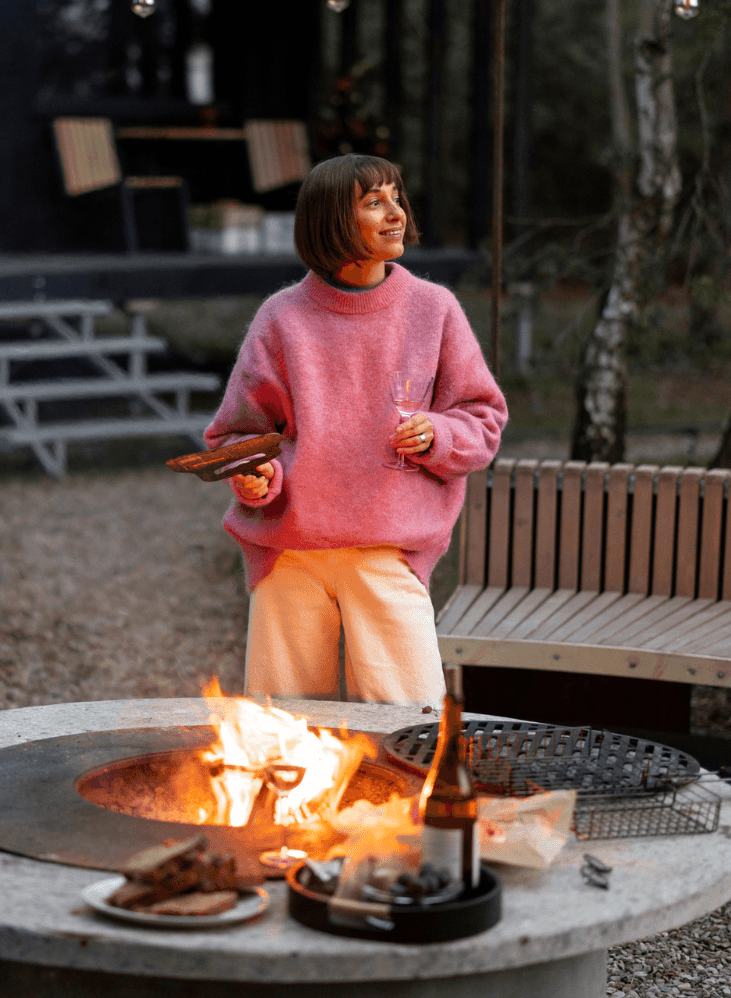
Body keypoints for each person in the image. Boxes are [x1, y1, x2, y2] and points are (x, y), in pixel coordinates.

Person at [204, 154, 506, 706]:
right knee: (283, 734)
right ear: (331, 221)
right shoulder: (281, 318)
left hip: (387, 552)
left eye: (396, 197)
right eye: (374, 202)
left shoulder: (434, 309)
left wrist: (439, 433)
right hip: (291, 553)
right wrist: (254, 475)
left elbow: (483, 420)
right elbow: (238, 437)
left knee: (409, 729)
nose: (396, 213)